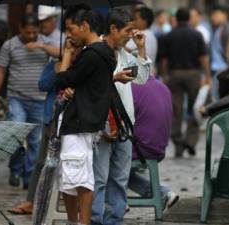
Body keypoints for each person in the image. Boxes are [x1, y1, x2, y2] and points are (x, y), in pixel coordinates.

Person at [7, 5, 90, 215]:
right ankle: (31, 200)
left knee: (74, 164)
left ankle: (73, 203)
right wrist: (58, 66)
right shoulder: (56, 61)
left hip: (76, 120)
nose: (70, 39)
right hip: (51, 117)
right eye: (68, 36)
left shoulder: (86, 62)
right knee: (42, 161)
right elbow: (43, 85)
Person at [56, 9, 116, 225]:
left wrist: (67, 55)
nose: (70, 34)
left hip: (80, 122)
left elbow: (62, 79)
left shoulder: (91, 54)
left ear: (84, 26)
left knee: (79, 178)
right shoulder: (103, 52)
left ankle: (81, 222)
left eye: (72, 28)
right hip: (86, 122)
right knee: (72, 179)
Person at [91, 9, 151, 225]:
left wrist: (141, 49)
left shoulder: (125, 54)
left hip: (124, 124)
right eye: (127, 30)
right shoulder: (95, 51)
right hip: (102, 123)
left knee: (119, 178)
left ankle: (114, 220)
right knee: (99, 178)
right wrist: (114, 77)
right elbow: (90, 84)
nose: (130, 35)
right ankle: (96, 220)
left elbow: (142, 79)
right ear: (114, 29)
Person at [0, 13, 59, 188]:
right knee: (16, 135)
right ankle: (15, 168)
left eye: (34, 32)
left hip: (40, 100)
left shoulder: (44, 41)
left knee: (35, 140)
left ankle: (29, 177)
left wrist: (41, 46)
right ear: (20, 29)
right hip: (17, 97)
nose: (31, 36)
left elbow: (61, 53)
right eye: (27, 32)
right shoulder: (9, 45)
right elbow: (0, 71)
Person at [159, 8, 211, 157]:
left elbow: (164, 60)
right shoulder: (197, 34)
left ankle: (177, 141)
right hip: (193, 74)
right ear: (189, 18)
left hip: (174, 74)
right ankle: (191, 140)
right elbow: (204, 57)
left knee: (176, 109)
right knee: (195, 108)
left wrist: (165, 76)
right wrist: (207, 75)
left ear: (176, 18)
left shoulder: (168, 36)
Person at [128, 77, 179, 209]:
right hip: (159, 148)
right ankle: (164, 193)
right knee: (125, 174)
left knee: (101, 161)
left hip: (140, 149)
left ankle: (114, 202)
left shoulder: (129, 88)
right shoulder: (163, 87)